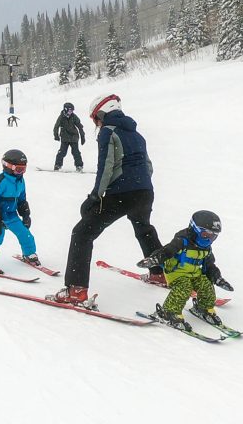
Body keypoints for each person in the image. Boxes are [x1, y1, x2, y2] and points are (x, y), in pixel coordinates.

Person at [50, 94, 165, 307]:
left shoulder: (107, 132)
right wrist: (140, 187)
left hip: (121, 193)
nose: (96, 123)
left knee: (82, 233)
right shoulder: (137, 134)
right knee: (143, 227)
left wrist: (95, 196)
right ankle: (160, 273)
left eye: (95, 119)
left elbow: (106, 167)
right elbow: (148, 166)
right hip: (145, 191)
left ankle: (75, 289)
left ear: (101, 113)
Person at [137, 210, 234, 332]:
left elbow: (209, 266)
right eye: (205, 235)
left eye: (213, 236)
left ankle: (203, 308)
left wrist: (217, 278)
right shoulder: (182, 241)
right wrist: (153, 259)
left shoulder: (206, 248)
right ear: (195, 230)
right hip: (176, 273)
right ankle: (169, 312)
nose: (209, 240)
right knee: (184, 287)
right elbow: (166, 251)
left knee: (206, 284)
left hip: (194, 274)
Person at [53, 102, 86, 171]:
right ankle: (57, 165)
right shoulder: (61, 117)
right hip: (65, 138)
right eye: (70, 110)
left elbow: (80, 126)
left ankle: (79, 166)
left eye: (72, 111)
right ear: (65, 109)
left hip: (74, 137)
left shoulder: (74, 117)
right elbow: (56, 126)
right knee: (62, 152)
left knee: (76, 152)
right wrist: (56, 135)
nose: (71, 112)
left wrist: (82, 136)